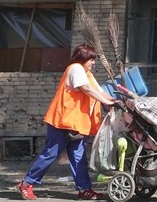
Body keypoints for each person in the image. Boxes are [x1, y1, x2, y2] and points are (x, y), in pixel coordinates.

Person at [17, 44, 118, 200]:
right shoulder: (76, 69)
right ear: (83, 58)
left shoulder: (87, 73)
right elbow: (86, 89)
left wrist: (117, 101)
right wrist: (106, 101)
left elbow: (99, 91)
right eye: (91, 59)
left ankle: (84, 189)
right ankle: (26, 184)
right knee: (50, 154)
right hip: (63, 122)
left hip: (77, 124)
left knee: (78, 158)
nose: (93, 63)